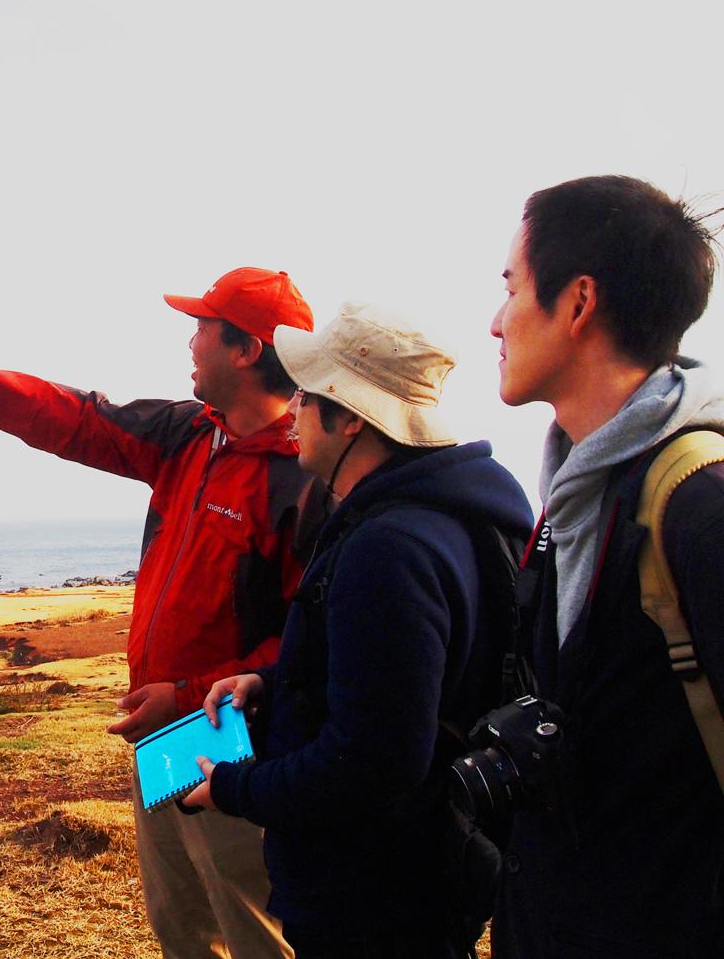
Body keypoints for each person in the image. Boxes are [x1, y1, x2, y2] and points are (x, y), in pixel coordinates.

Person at [0, 267, 324, 959]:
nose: (190, 341)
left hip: (237, 737)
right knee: (180, 920)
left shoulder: (300, 476)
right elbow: (80, 419)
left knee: (252, 924)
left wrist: (186, 697)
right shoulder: (190, 434)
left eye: (202, 328)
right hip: (165, 736)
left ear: (245, 350)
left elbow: (305, 643)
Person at [182, 302, 533, 958]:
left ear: (350, 418)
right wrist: (273, 678)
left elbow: (371, 762)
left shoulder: (388, 547)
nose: (290, 410)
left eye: (308, 396)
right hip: (427, 872)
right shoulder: (453, 515)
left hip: (374, 896)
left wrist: (235, 787)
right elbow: (407, 676)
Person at [486, 175, 724, 956]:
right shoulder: (573, 497)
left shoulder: (697, 507)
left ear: (578, 301)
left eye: (512, 288)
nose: (496, 322)